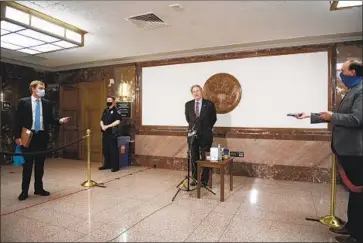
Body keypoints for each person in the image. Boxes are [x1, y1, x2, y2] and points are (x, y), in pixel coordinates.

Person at [297, 59, 362, 243]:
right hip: (347, 149)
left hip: (355, 150)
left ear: (353, 73)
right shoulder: (354, 90)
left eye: (343, 70)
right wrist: (312, 115)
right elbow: (340, 116)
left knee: (359, 193)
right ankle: (352, 227)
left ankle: (358, 236)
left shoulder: (361, 91)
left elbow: (357, 119)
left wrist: (332, 116)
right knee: (354, 193)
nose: (341, 73)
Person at [14, 80, 70, 201]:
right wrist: (17, 137)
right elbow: (17, 120)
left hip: (42, 137)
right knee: (27, 166)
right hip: (28, 136)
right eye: (40, 88)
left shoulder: (47, 103)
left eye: (43, 88)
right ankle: (24, 191)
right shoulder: (23, 102)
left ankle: (38, 188)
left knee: (40, 165)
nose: (43, 90)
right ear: (33, 89)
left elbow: (50, 119)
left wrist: (60, 121)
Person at [185, 85, 217, 186]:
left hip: (205, 135)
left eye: (197, 90)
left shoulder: (209, 104)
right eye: (193, 91)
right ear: (192, 93)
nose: (195, 93)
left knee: (205, 158)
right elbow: (188, 119)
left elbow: (213, 119)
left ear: (201, 91)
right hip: (193, 136)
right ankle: (194, 178)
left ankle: (204, 180)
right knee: (193, 157)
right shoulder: (188, 104)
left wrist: (205, 128)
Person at [99, 96, 121, 172]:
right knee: (105, 149)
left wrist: (107, 126)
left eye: (109, 100)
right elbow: (101, 120)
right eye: (107, 100)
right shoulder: (105, 110)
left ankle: (115, 166)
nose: (108, 101)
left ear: (113, 102)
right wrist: (102, 126)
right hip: (105, 132)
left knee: (113, 150)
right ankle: (106, 165)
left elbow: (118, 121)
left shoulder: (116, 110)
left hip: (112, 132)